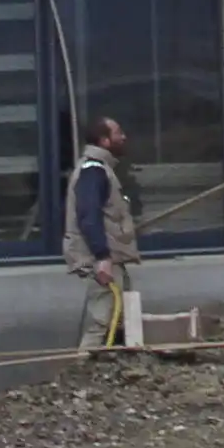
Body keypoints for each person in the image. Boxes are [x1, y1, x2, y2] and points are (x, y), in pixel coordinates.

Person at [64, 115, 140, 346]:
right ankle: (81, 375)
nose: (124, 137)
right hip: (102, 260)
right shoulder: (93, 171)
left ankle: (106, 376)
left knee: (116, 321)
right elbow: (88, 216)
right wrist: (103, 257)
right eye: (118, 133)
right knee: (102, 322)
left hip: (109, 258)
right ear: (104, 140)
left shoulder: (102, 170)